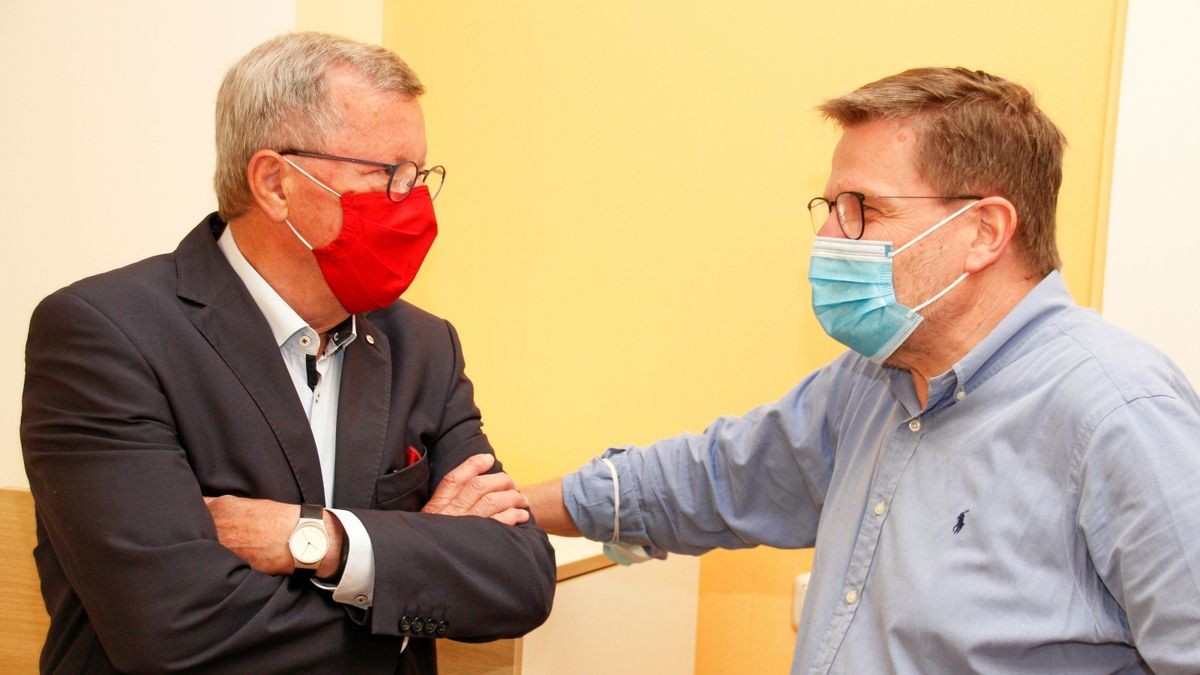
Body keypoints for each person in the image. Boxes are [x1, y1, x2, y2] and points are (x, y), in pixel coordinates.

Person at [528, 67, 1200, 673]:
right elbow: (715, 478)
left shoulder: (1120, 414)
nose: (827, 238)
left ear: (984, 232)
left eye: (862, 209)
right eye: (828, 209)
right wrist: (514, 508)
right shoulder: (872, 381)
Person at [22, 32, 555, 674]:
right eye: (388, 176)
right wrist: (413, 580)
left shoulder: (423, 346)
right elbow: (177, 634)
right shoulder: (105, 335)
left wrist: (321, 542)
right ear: (275, 182)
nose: (413, 205)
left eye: (421, 177)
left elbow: (521, 579)